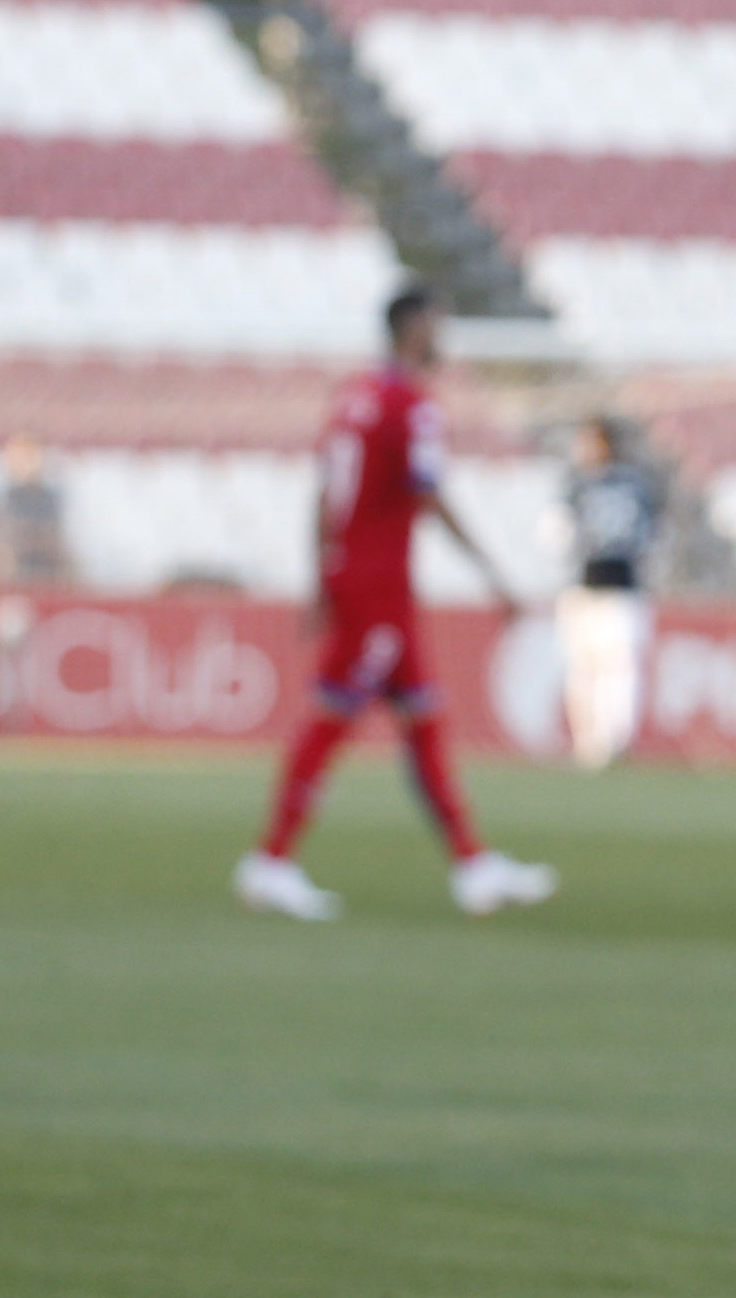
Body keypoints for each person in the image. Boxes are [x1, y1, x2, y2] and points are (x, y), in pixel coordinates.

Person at [233, 289, 560, 923]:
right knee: (331, 718)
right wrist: (497, 580)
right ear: (413, 330)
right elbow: (429, 496)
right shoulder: (410, 405)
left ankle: (474, 865)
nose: (444, 339)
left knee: (425, 721)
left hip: (363, 580)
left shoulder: (356, 396)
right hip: (378, 587)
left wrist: (321, 575)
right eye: (438, 325)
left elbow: (326, 489)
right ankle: (270, 862)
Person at [555, 417, 661, 770]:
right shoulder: (583, 483)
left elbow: (559, 537)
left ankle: (613, 741)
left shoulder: (585, 486)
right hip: (584, 588)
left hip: (619, 587)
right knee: (584, 668)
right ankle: (590, 744)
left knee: (618, 667)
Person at [0, 434, 69, 587]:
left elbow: (54, 537)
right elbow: (3, 537)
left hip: (46, 563)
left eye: (29, 457)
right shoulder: (4, 498)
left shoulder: (50, 498)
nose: (25, 464)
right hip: (16, 565)